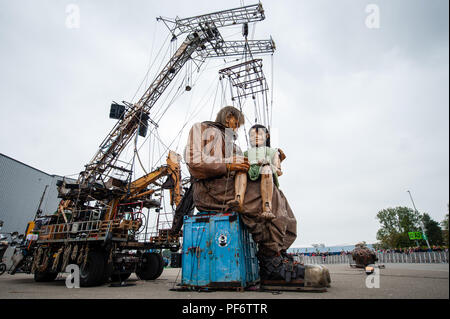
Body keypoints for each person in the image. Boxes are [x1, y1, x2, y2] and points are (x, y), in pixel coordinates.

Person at [184, 106, 331, 286]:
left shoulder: (234, 145)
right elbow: (195, 162)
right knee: (264, 198)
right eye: (236, 123)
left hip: (228, 186)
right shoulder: (203, 129)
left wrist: (270, 162)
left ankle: (278, 254)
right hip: (211, 189)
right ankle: (271, 264)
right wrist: (229, 164)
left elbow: (245, 167)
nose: (237, 128)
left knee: (278, 196)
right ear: (229, 116)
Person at [227, 124, 284, 221]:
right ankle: (238, 199)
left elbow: (279, 171)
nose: (255, 137)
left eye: (259, 134)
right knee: (241, 168)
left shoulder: (272, 152)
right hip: (249, 170)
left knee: (266, 169)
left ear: (266, 136)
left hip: (266, 171)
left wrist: (268, 164)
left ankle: (267, 207)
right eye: (252, 135)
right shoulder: (245, 153)